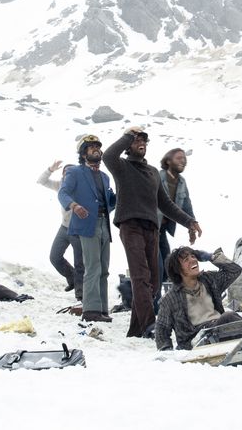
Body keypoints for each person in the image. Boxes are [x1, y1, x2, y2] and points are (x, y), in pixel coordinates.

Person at [103, 126, 202, 338]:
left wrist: (189, 221)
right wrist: (128, 135)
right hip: (131, 226)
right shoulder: (121, 166)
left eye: (144, 141)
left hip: (151, 228)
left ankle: (137, 329)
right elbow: (108, 155)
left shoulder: (152, 173)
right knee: (141, 277)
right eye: (137, 140)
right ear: (128, 146)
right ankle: (150, 325)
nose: (141, 143)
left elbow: (165, 203)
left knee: (155, 282)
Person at [60, 135, 117, 322]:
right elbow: (63, 193)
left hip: (104, 224)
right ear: (84, 153)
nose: (96, 150)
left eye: (97, 147)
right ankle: (91, 311)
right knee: (93, 266)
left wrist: (117, 198)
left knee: (104, 268)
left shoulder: (105, 177)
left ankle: (102, 309)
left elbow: (109, 203)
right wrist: (74, 206)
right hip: (87, 225)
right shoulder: (75, 172)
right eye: (91, 147)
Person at [155, 247, 242, 350]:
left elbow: (235, 271)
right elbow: (162, 329)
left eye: (193, 256)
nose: (193, 260)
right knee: (229, 316)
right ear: (177, 269)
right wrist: (167, 351)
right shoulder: (170, 298)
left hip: (220, 329)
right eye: (186, 260)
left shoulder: (209, 280)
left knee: (238, 321)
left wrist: (211, 257)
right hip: (197, 341)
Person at [37, 160, 84, 299]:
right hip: (64, 227)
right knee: (55, 257)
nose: (66, 175)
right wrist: (50, 169)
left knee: (80, 263)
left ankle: (81, 295)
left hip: (78, 229)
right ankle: (72, 279)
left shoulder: (81, 187)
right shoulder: (60, 185)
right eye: (64, 172)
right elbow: (41, 181)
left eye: (70, 172)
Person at [155, 148, 195, 302]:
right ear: (168, 161)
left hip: (163, 229)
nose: (183, 161)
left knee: (168, 263)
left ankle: (165, 299)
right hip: (151, 227)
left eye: (184, 158)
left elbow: (186, 206)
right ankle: (154, 303)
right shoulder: (157, 176)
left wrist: (192, 225)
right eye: (178, 158)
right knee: (157, 265)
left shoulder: (182, 182)